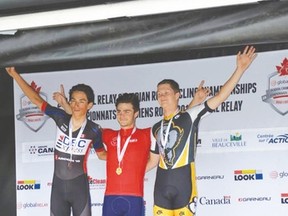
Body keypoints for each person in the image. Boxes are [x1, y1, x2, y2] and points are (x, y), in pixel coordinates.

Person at [54, 81, 210, 216]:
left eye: (127, 111)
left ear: (136, 114)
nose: (122, 115)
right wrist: (66, 106)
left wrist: (195, 102)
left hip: (134, 199)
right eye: (119, 111)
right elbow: (81, 123)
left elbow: (176, 124)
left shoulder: (146, 134)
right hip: (110, 199)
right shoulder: (107, 134)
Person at [150, 46, 257, 216]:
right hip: (160, 188)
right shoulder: (156, 127)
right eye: (158, 93)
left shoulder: (191, 116)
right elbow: (152, 161)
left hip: (184, 185)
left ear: (177, 95)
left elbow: (220, 96)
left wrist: (240, 69)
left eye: (166, 92)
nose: (162, 96)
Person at [5, 67, 106, 216]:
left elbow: (102, 154)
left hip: (79, 190)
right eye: (73, 101)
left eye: (81, 101)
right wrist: (14, 74)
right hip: (58, 189)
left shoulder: (95, 130)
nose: (76, 105)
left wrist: (129, 159)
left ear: (89, 105)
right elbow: (36, 99)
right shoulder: (60, 118)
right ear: (70, 102)